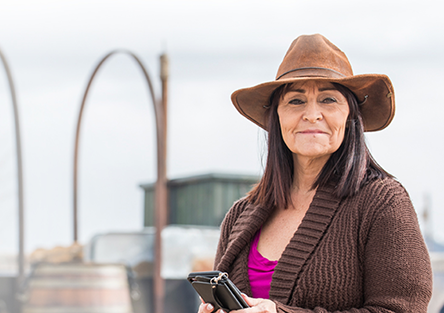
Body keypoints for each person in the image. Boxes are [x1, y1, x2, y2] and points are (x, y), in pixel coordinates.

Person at [198, 34, 433, 313]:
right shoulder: (240, 215)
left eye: (328, 99)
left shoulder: (382, 203)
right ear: (277, 118)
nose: (312, 114)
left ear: (350, 116)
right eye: (296, 101)